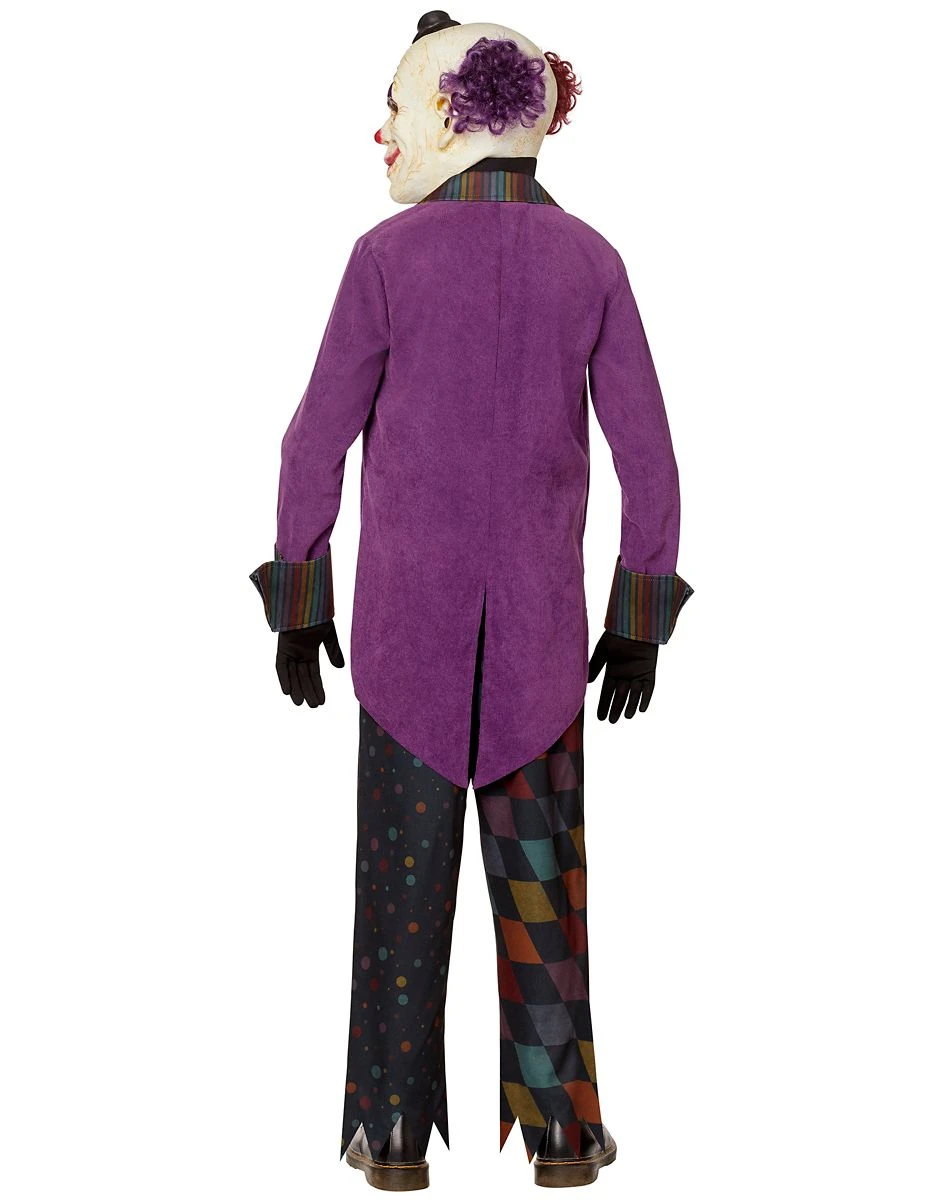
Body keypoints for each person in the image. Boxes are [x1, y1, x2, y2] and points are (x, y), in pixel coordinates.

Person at [249, 10, 693, 1190]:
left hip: (405, 642)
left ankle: (390, 1139)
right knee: (543, 900)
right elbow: (648, 459)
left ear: (448, 113)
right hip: (544, 648)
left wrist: (300, 596)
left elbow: (312, 441)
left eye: (394, 106)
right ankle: (561, 1136)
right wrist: (635, 619)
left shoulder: (384, 260)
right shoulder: (591, 262)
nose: (380, 132)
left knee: (397, 904)